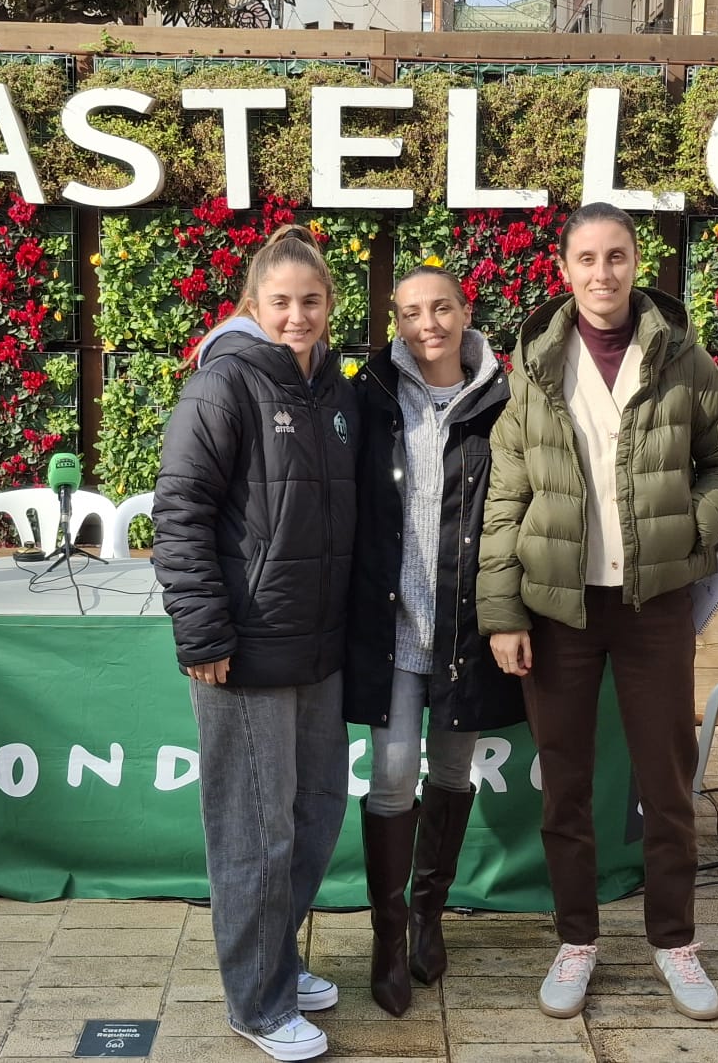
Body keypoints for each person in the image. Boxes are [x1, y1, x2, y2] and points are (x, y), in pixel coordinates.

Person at [476, 202, 718, 1023]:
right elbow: (507, 498)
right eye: (587, 259)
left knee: (666, 785)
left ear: (639, 265)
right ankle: (576, 940)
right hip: (558, 607)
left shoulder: (682, 361)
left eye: (618, 257)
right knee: (564, 788)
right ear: (563, 270)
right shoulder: (534, 369)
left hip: (653, 608)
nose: (603, 274)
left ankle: (675, 940)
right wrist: (502, 612)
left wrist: (687, 535)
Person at [153, 225, 359, 1062]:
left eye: (311, 301)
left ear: (329, 305)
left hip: (320, 651)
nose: (297, 316)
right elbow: (179, 514)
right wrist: (203, 631)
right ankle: (257, 1003)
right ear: (253, 305)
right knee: (254, 832)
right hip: (242, 653)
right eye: (281, 302)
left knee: (313, 816)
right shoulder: (222, 386)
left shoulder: (336, 393)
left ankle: (278, 960)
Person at [346, 266, 522, 1016]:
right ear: (396, 319)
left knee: (451, 775)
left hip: (464, 631)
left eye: (441, 308)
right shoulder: (371, 396)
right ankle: (387, 940)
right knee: (390, 780)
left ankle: (428, 917)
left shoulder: (503, 403)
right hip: (389, 631)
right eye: (413, 312)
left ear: (464, 310)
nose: (428, 325)